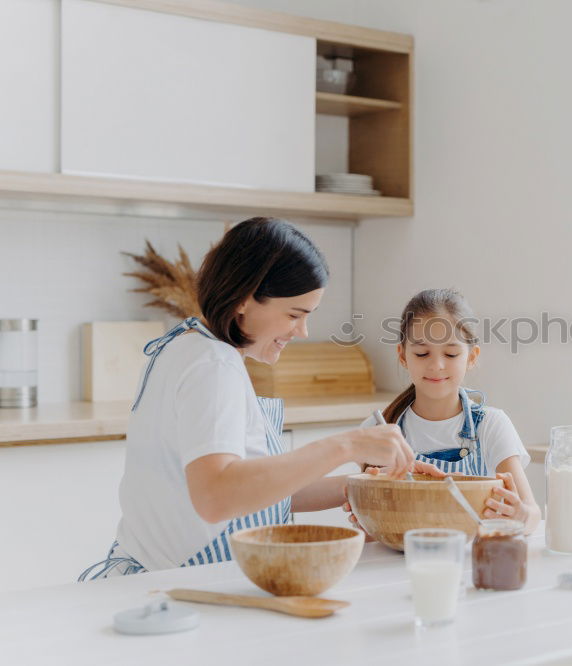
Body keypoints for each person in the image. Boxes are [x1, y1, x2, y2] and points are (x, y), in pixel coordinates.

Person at [79, 217, 437, 579]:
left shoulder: (186, 346)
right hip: (184, 587)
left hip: (159, 581)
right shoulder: (214, 366)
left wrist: (366, 486)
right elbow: (217, 497)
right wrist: (347, 445)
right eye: (294, 315)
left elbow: (256, 494)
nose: (302, 331)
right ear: (246, 299)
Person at [350, 288, 541, 534]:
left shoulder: (491, 425)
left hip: (472, 563)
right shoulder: (380, 428)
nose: (436, 365)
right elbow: (371, 528)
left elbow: (532, 514)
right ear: (403, 355)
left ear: (471, 357)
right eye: (422, 353)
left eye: (451, 353)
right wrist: (368, 522)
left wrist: (521, 516)